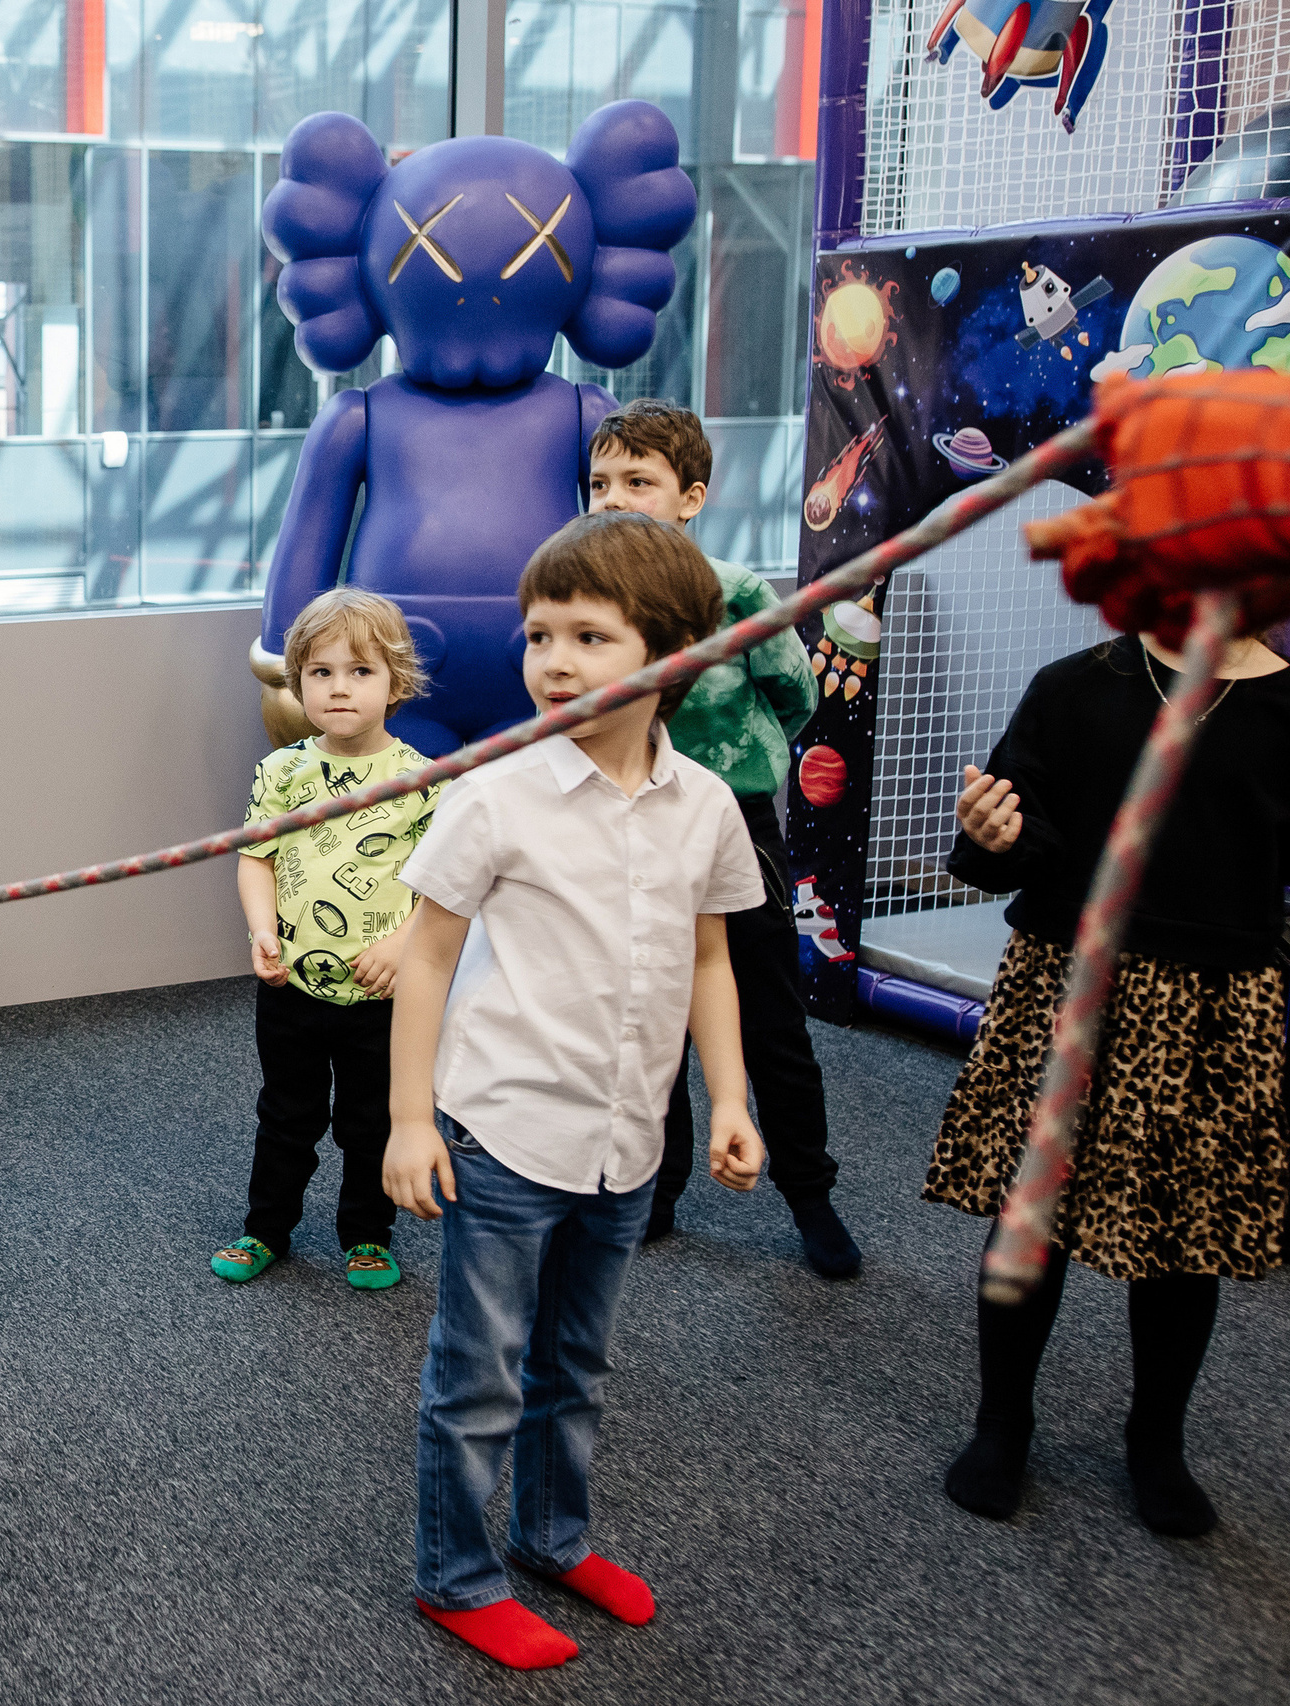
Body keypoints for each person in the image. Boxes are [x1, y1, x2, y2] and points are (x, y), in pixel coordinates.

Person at [382, 513, 767, 1670]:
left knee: (575, 1363)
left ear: (675, 655)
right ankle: (455, 1577)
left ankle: (550, 1536)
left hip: (624, 1139)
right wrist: (408, 1118)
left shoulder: (705, 802)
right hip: (503, 1130)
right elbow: (427, 955)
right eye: (537, 632)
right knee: (480, 1370)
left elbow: (709, 960)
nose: (549, 657)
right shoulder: (496, 794)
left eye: (587, 635)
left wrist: (732, 1099)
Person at [930, 628, 1290, 1535]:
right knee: (1032, 1218)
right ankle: (1001, 1421)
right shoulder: (1074, 685)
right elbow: (1007, 844)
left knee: (1182, 1236)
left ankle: (1156, 1439)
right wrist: (990, 834)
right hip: (1067, 989)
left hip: (1213, 1005)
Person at [587, 398, 857, 1276]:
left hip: (733, 825)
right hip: (626, 822)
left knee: (767, 1010)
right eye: (599, 484)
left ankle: (810, 1193)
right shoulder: (585, 595)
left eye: (639, 481)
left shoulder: (733, 592)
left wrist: (736, 762)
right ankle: (655, 1187)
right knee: (644, 1007)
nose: (614, 498)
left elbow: (795, 696)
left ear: (689, 496)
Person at [214, 588, 440, 1291]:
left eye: (361, 672)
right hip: (293, 987)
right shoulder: (282, 772)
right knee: (286, 1114)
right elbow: (257, 859)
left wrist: (403, 942)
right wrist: (261, 930)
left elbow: (443, 887)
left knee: (370, 1123)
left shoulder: (422, 781)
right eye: (322, 673)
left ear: (395, 682)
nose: (339, 688)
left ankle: (367, 1235)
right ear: (299, 682)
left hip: (380, 996)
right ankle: (265, 1229)